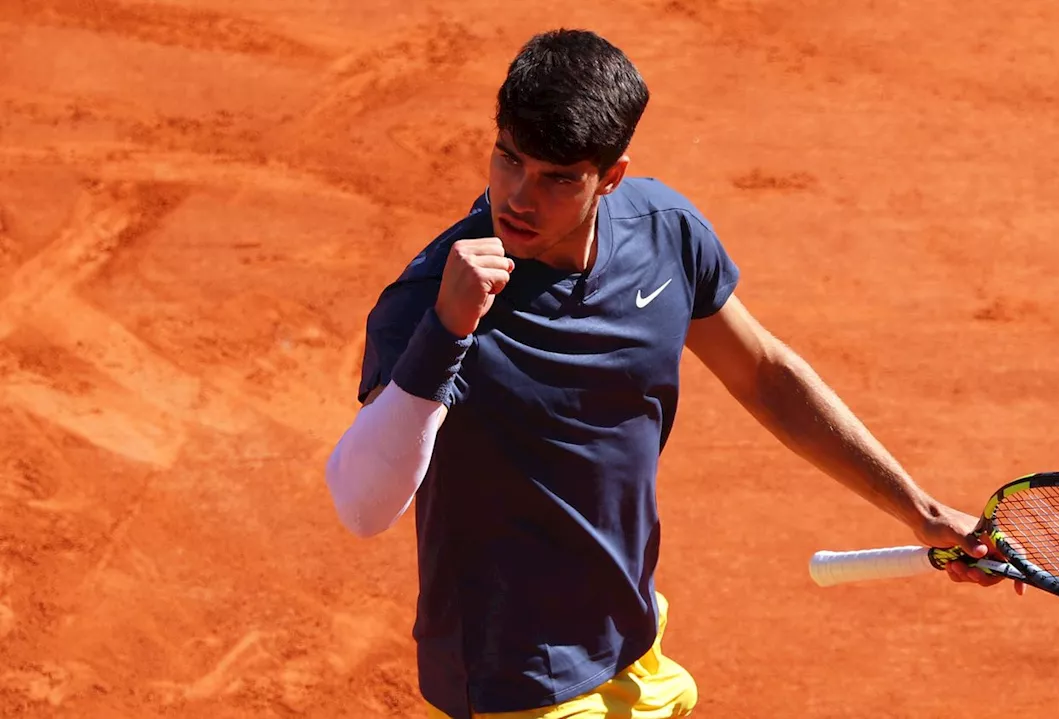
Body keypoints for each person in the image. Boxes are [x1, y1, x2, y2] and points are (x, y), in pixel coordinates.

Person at [324, 28, 1014, 719]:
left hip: (634, 640)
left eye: (557, 178)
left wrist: (919, 510)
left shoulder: (664, 233)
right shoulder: (428, 300)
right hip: (519, 679)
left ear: (611, 177)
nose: (519, 197)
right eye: (508, 158)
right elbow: (362, 507)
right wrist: (448, 330)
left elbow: (765, 374)